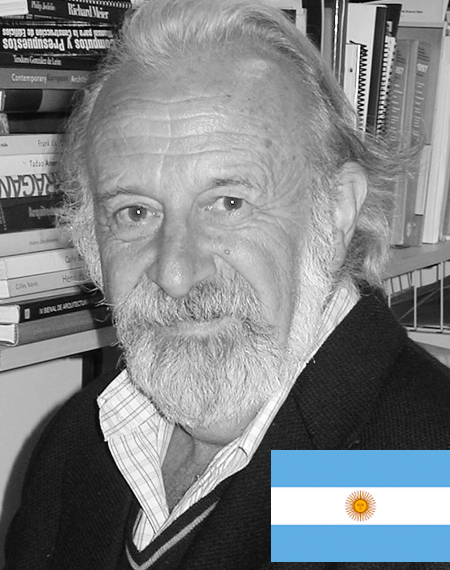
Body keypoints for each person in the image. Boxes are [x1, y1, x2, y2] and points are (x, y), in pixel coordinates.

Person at [4, 0, 450, 568]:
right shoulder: (77, 443)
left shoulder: (414, 483)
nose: (175, 273)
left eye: (228, 203)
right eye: (135, 213)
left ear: (337, 211)